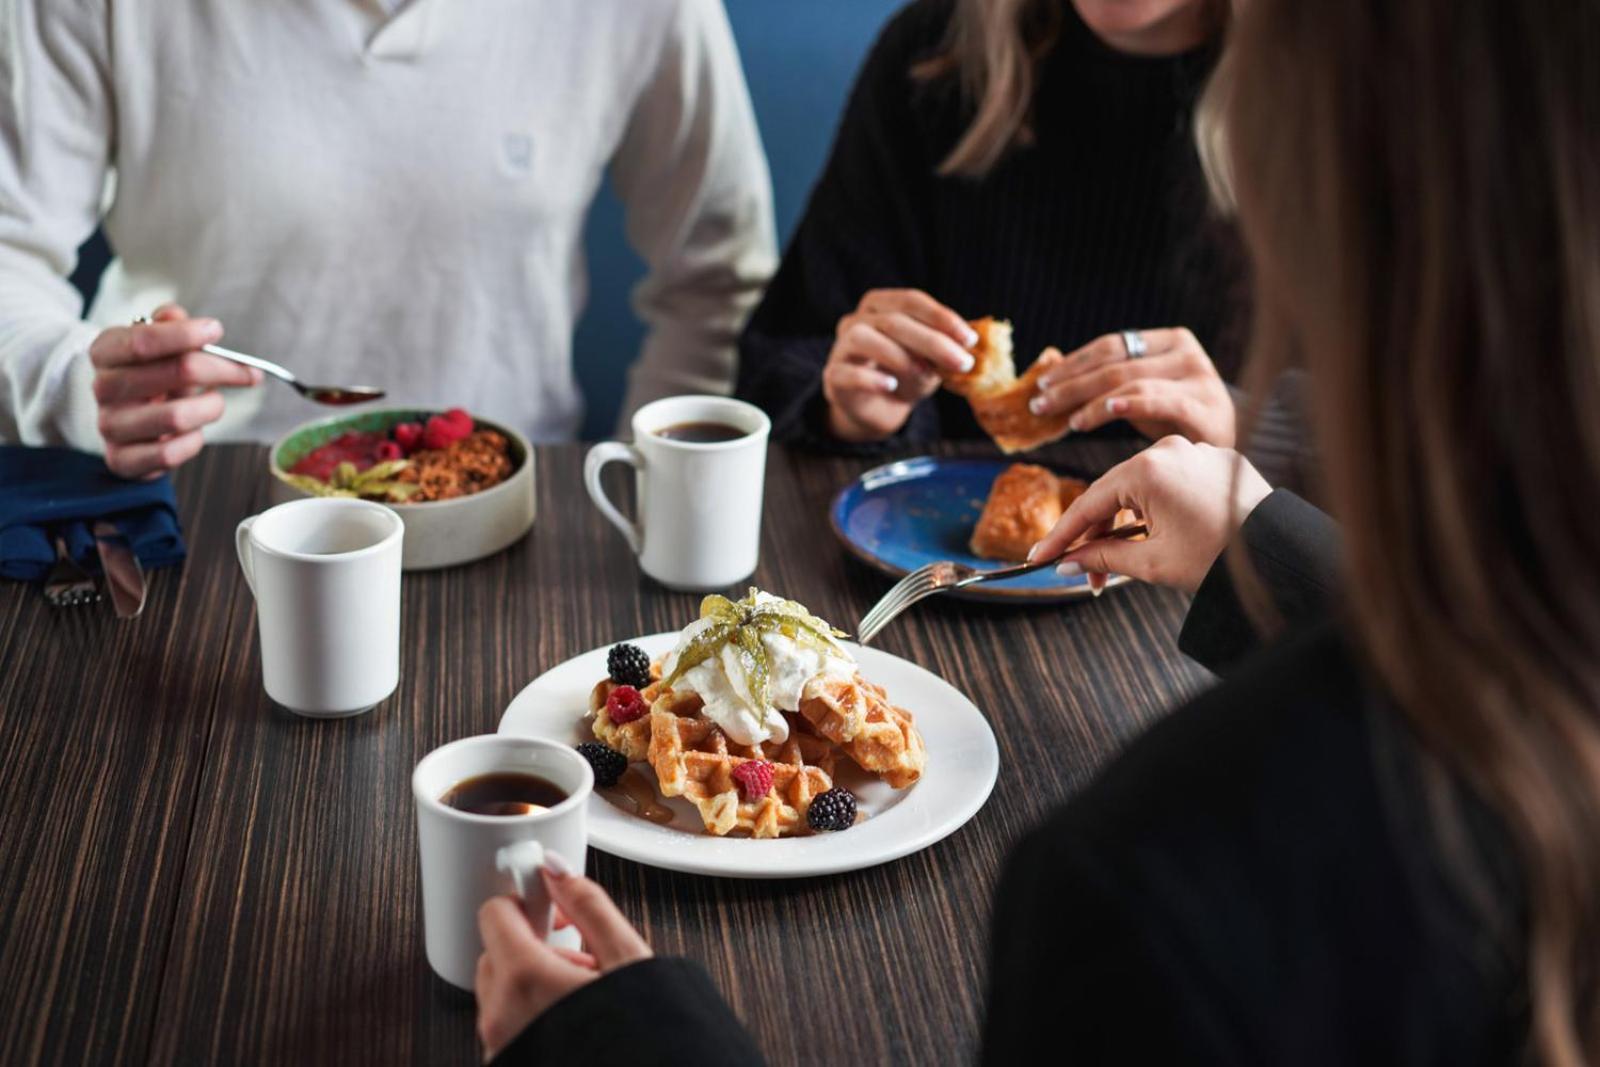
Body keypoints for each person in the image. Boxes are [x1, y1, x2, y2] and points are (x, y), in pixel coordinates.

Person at [473, 0, 1600, 1062]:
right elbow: (787, 350)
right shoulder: (937, 59)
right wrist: (1266, 536)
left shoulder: (1135, 898)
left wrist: (628, 1043)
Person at [0, 0, 776, 477]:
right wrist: (75, 384)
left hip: (514, 498)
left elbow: (717, 276)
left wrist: (652, 481)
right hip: (185, 496)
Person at [734, 0, 1249, 455]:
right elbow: (778, 366)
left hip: (1201, 560)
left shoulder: (1321, 99)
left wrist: (1243, 439)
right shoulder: (934, 56)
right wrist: (850, 413)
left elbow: (1319, 465)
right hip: (928, 547)